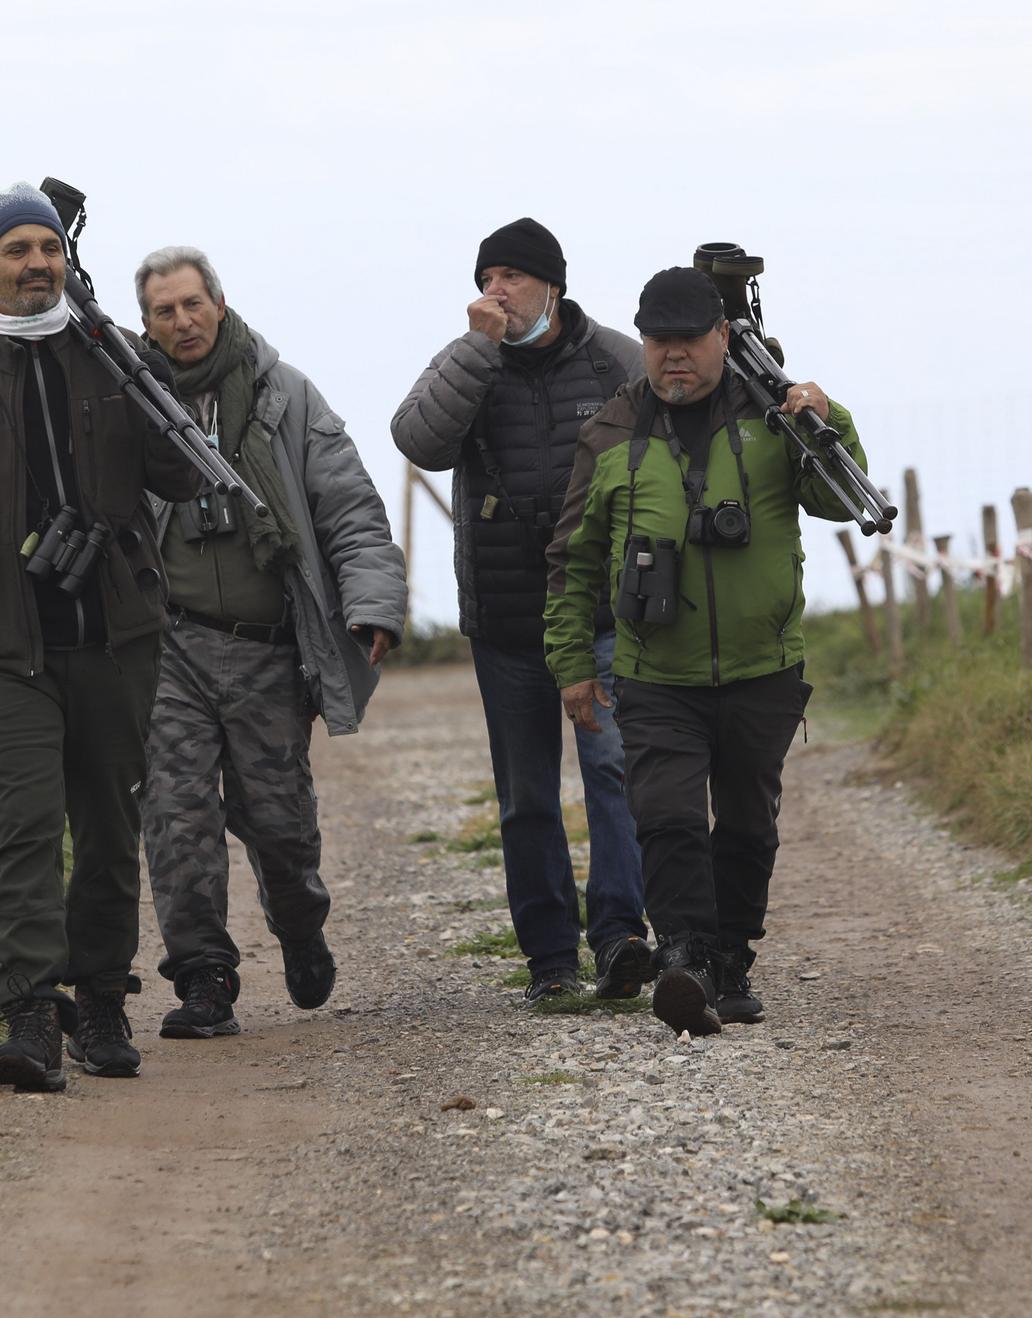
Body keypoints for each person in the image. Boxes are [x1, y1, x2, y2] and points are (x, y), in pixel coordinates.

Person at [0, 183, 202, 1092]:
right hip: (1, 645)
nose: (36, 264)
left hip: (114, 635)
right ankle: (29, 1011)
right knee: (23, 825)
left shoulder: (115, 362)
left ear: (70, 260)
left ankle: (101, 997)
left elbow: (180, 478)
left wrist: (149, 376)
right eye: (17, 249)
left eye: (49, 248)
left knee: (108, 827)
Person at [544, 266, 871, 1037]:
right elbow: (573, 558)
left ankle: (731, 960)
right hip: (656, 672)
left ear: (724, 337)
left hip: (763, 667)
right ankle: (687, 956)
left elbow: (840, 498)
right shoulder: (611, 434)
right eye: (659, 341)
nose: (673, 356)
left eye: (690, 339)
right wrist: (571, 665)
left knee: (749, 824)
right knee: (666, 815)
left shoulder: (775, 420)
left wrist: (831, 416)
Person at [133, 245, 407, 1037]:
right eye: (163, 311)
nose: (182, 322)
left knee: (279, 821)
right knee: (175, 816)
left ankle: (300, 927)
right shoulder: (128, 402)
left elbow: (351, 509)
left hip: (268, 649)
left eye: (192, 304)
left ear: (219, 302)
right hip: (170, 649)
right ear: (145, 323)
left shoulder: (284, 396)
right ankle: (204, 979)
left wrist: (372, 606)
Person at [391, 219, 650, 1006]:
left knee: (613, 773)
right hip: (506, 622)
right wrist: (477, 350)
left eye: (511, 276)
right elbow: (418, 440)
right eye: (486, 276)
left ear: (552, 285)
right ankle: (550, 964)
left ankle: (619, 939)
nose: (495, 291)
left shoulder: (615, 360)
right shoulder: (467, 359)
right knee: (528, 794)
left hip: (604, 615)